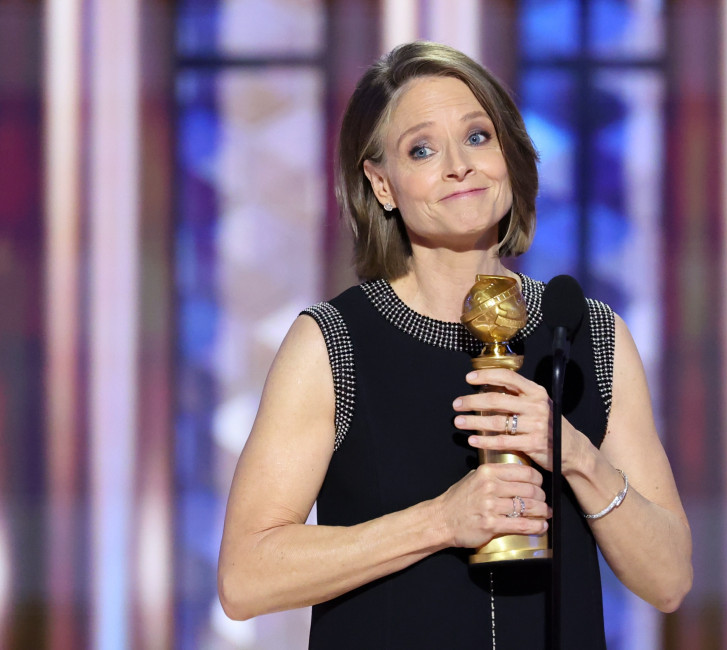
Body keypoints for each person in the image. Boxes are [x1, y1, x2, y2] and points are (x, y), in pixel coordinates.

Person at [218, 41, 691, 649]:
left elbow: (671, 579)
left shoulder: (589, 334)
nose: (458, 165)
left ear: (509, 157)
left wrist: (576, 456)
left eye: (477, 137)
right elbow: (244, 576)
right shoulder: (333, 344)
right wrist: (441, 521)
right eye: (422, 149)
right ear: (381, 184)